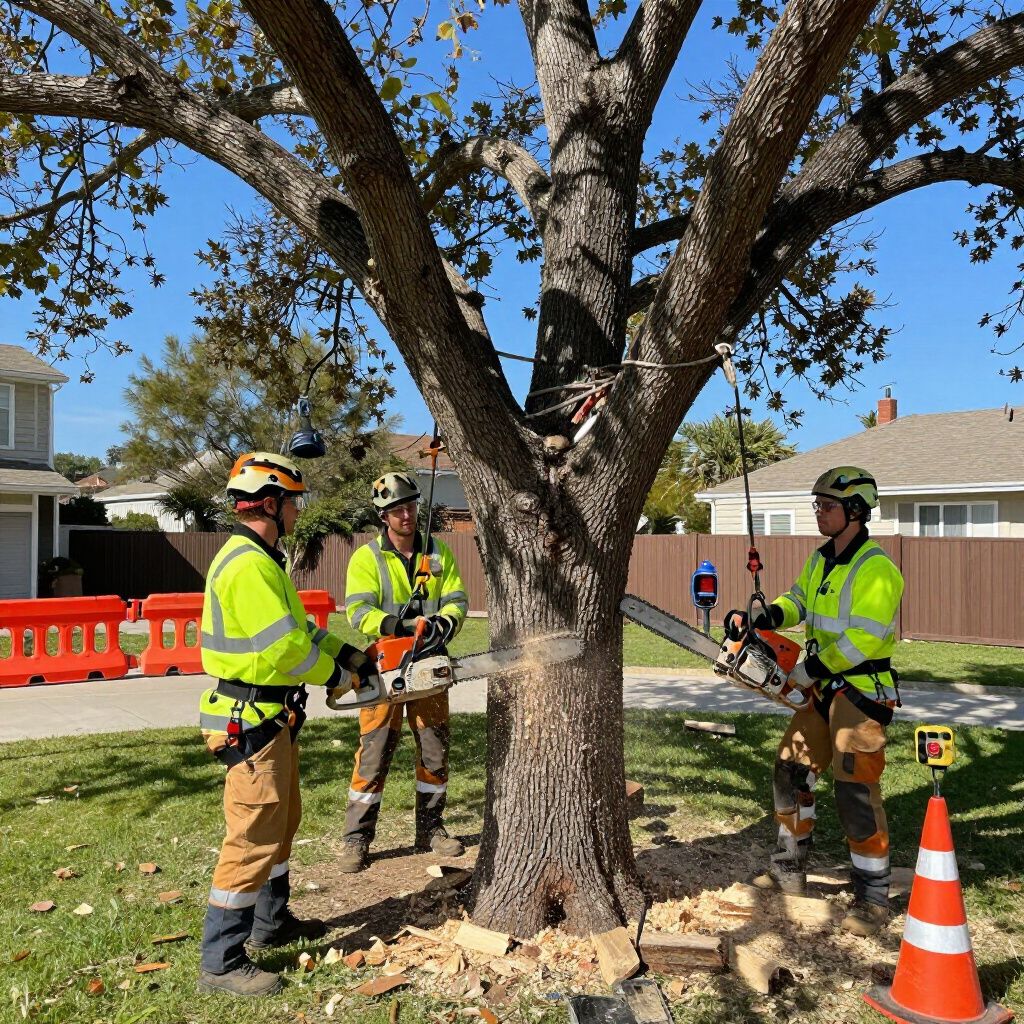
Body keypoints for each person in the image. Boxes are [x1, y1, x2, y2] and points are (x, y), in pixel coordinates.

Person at [196, 452, 373, 996]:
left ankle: (272, 925)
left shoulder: (265, 561)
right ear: (271, 504)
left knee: (281, 823)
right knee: (252, 835)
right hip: (249, 716)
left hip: (271, 716)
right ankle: (221, 963)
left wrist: (353, 658)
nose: (298, 513)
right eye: (294, 503)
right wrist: (334, 677)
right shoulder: (248, 565)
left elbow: (305, 632)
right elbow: (285, 649)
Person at [742, 466, 904, 938]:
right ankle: (788, 867)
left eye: (827, 506)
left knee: (854, 788)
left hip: (861, 690)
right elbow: (798, 599)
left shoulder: (877, 569)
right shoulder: (820, 560)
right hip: (822, 688)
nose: (819, 512)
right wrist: (771, 613)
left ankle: (872, 896)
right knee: (790, 769)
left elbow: (864, 638)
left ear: (855, 511)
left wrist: (812, 668)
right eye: (817, 505)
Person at [338, 470, 469, 872]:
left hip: (430, 662)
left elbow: (457, 599)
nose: (406, 515)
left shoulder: (438, 552)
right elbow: (358, 611)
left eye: (410, 506)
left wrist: (444, 624)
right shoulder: (367, 557)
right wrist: (396, 625)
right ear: (383, 516)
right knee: (374, 752)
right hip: (384, 664)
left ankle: (431, 827)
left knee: (434, 747)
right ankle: (356, 838)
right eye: (397, 510)